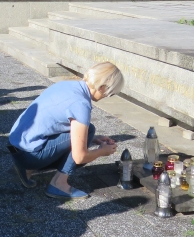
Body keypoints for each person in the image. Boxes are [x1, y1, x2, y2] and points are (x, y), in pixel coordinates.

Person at [7, 62, 124, 199]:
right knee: (86, 134)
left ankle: (27, 169)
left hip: (16, 147)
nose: (107, 97)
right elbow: (80, 157)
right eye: (110, 94)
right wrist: (101, 152)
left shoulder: (67, 85)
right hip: (29, 156)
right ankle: (59, 184)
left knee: (89, 131)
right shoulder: (81, 104)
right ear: (102, 87)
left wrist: (93, 139)